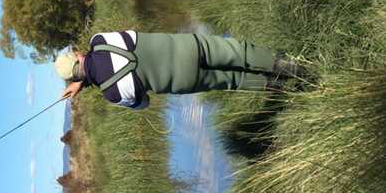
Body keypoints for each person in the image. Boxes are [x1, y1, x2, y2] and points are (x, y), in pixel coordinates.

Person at [54, 30, 310, 109]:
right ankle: (299, 68)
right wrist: (87, 75)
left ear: (74, 80)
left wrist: (85, 82)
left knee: (234, 80)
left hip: (184, 80)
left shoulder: (112, 94)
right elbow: (104, 54)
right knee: (238, 53)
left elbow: (143, 104)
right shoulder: (100, 40)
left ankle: (291, 90)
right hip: (189, 47)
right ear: (77, 56)